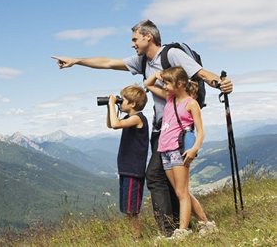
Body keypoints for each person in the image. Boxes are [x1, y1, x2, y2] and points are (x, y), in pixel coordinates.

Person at [52, 19, 233, 235]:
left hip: (177, 130)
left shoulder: (171, 55)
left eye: (135, 39)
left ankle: (170, 230)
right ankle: (195, 224)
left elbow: (200, 73)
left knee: (154, 176)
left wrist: (219, 83)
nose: (132, 44)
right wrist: (76, 60)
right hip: (160, 130)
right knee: (169, 183)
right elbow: (109, 62)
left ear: (149, 37)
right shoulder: (142, 62)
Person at [144, 67, 218, 239]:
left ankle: (182, 231)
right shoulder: (170, 99)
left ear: (181, 84)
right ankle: (205, 224)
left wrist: (194, 149)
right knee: (181, 191)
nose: (165, 85)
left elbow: (200, 131)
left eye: (168, 82)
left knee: (181, 193)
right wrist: (157, 76)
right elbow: (147, 85)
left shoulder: (191, 103)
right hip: (164, 151)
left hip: (178, 151)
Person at [106, 84, 149, 239]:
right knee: (127, 209)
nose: (120, 102)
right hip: (126, 169)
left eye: (122, 100)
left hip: (133, 170)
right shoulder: (129, 118)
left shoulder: (138, 118)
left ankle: (137, 238)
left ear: (132, 104)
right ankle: (134, 236)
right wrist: (109, 108)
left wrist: (111, 104)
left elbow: (116, 124)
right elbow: (111, 124)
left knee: (132, 210)